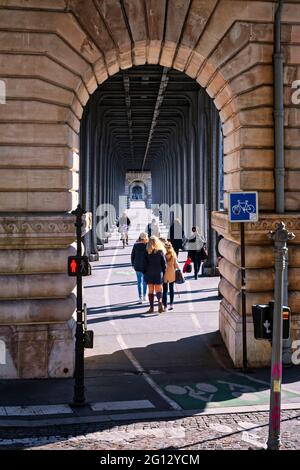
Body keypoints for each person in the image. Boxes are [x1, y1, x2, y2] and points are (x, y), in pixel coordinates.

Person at [143, 236, 166, 313]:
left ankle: (151, 307)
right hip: (158, 273)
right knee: (159, 290)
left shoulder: (146, 252)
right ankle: (159, 301)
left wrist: (144, 272)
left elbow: (144, 264)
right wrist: (163, 272)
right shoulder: (160, 252)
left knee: (150, 291)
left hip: (149, 274)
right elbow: (164, 264)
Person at [131, 232, 149, 304]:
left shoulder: (136, 245)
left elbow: (133, 255)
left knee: (139, 282)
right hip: (146, 266)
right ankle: (145, 296)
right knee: (145, 281)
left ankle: (140, 297)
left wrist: (133, 264)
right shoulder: (147, 245)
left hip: (137, 265)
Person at [162, 241, 179, 311]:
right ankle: (171, 304)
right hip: (172, 274)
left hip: (164, 274)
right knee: (171, 289)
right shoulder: (173, 254)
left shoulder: (163, 255)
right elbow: (176, 265)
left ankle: (165, 306)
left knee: (165, 290)